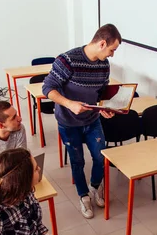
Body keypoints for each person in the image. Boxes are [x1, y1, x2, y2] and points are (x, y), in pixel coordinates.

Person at [42, 24, 121, 219]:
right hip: (68, 122)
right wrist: (69, 104)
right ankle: (83, 195)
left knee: (100, 157)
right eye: (112, 50)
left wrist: (104, 108)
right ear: (102, 43)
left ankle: (95, 187)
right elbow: (47, 88)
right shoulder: (67, 60)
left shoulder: (104, 65)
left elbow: (101, 92)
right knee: (77, 161)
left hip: (92, 120)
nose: (112, 55)